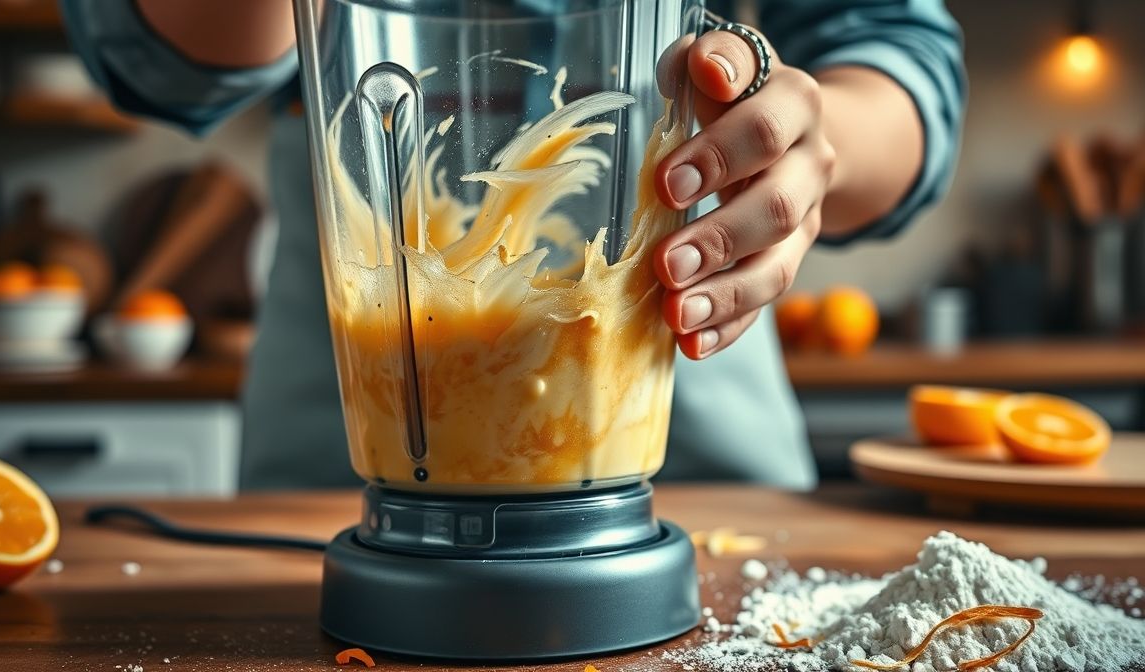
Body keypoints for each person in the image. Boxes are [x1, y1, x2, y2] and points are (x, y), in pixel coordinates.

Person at [61, 1, 965, 491]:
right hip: (343, 457)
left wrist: (799, 139)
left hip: (700, 444)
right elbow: (168, 62)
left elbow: (895, 50)